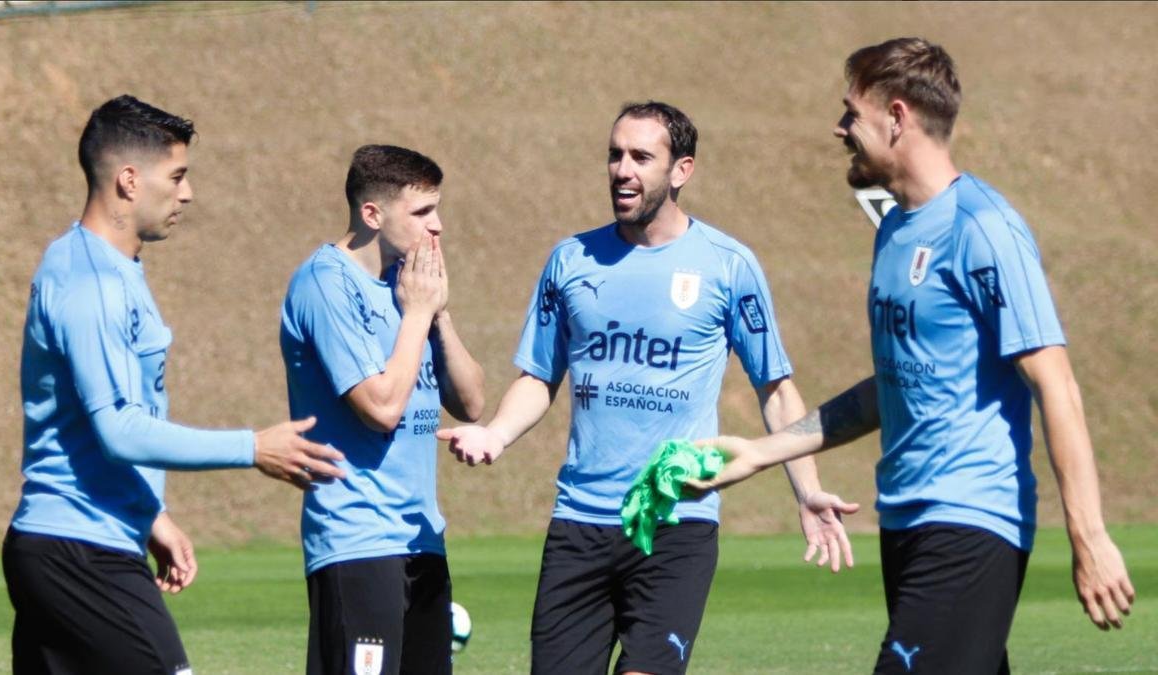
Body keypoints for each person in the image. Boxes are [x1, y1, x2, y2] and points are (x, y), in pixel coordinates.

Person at [689, 37, 1136, 674]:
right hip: (906, 523)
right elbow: (895, 384)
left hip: (971, 520)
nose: (839, 127)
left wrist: (1089, 536)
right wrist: (763, 452)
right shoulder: (896, 230)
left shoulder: (983, 228)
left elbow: (1056, 383)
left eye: (852, 113)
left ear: (896, 118)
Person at [437, 101, 856, 675]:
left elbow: (776, 388)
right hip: (579, 523)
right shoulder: (570, 261)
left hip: (676, 521)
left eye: (641, 156)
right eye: (615, 154)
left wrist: (806, 490)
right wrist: (497, 434)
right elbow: (538, 377)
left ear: (681, 170)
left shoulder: (727, 266)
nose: (622, 169)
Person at [2, 94, 346, 675]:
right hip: (80, 554)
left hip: (77, 542)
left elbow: (82, 430)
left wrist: (148, 516)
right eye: (178, 176)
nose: (187, 193)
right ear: (129, 180)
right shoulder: (92, 283)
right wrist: (253, 447)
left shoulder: (107, 268)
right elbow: (117, 428)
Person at [280, 144, 485, 675]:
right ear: (372, 214)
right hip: (356, 541)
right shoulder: (325, 283)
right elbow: (381, 407)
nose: (437, 226)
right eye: (421, 212)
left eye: (437, 209)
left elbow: (471, 402)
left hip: (422, 539)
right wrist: (416, 314)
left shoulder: (410, 287)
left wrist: (436, 314)